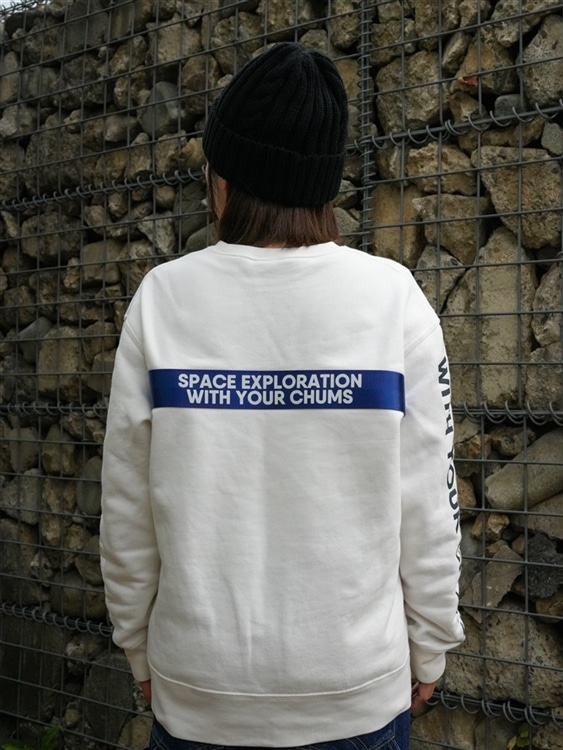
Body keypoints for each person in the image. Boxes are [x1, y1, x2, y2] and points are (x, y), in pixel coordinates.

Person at [100, 42, 464, 750]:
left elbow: (127, 509)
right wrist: (430, 647)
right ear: (323, 184)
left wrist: (139, 649)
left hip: (198, 690)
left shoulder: (163, 299)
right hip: (354, 693)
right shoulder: (392, 300)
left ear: (222, 180)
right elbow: (429, 505)